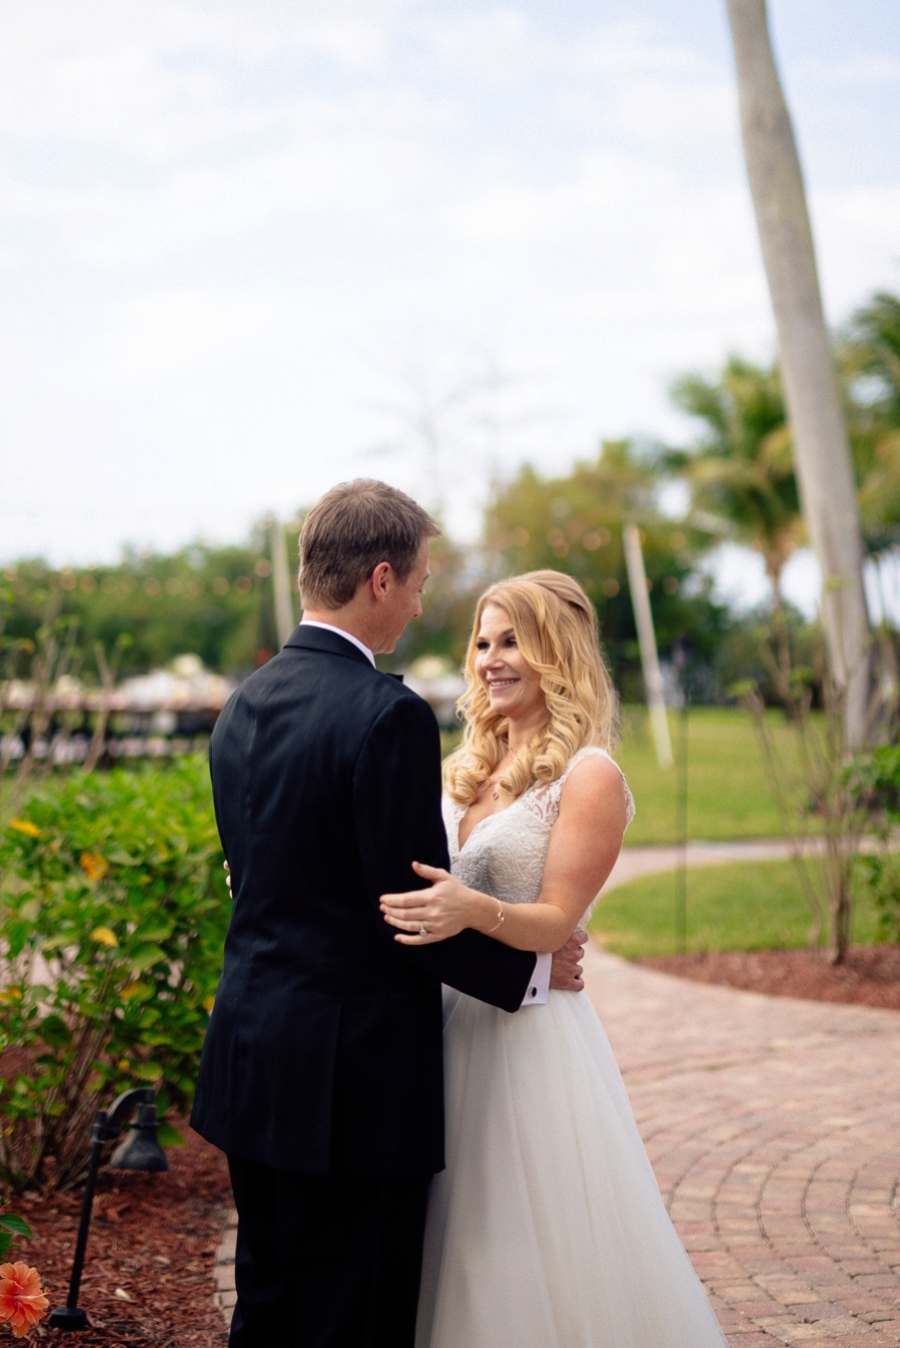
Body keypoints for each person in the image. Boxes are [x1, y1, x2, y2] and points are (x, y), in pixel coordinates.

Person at [190, 481, 585, 1348]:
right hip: (352, 1085)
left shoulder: (240, 708)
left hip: (250, 1059)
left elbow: (263, 882)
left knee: (269, 1307)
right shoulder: (387, 715)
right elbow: (409, 912)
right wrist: (527, 971)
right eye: (415, 583)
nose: (416, 602)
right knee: (355, 1317)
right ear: (378, 578)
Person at [381, 571, 729, 1348]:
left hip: (530, 1039)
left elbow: (556, 924)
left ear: (555, 653)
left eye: (512, 642)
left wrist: (472, 909)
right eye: (482, 641)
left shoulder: (591, 776)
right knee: (452, 1234)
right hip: (446, 1026)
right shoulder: (462, 768)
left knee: (518, 1234)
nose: (490, 659)